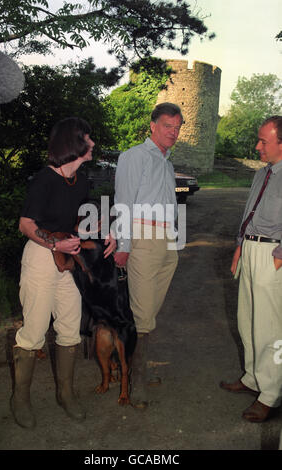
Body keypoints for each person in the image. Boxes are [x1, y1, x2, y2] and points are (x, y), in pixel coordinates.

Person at [11, 117, 116, 428]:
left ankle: (66, 394)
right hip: (42, 259)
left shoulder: (81, 181)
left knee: (70, 329)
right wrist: (56, 241)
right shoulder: (43, 180)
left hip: (68, 263)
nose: (93, 144)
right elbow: (26, 225)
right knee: (33, 333)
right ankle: (20, 399)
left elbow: (83, 220)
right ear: (74, 143)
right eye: (88, 138)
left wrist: (106, 229)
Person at [114, 102, 183, 408]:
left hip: (166, 240)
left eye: (178, 127)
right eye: (168, 126)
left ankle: (133, 367)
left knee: (148, 313)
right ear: (153, 125)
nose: (174, 132)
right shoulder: (135, 156)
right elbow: (124, 202)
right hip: (142, 238)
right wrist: (124, 245)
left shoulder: (166, 162)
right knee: (143, 315)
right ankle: (136, 383)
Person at [220, 115, 282, 422]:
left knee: (270, 327)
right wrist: (239, 246)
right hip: (250, 249)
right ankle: (252, 378)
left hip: (273, 254)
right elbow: (249, 213)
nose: (257, 146)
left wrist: (279, 255)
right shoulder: (263, 173)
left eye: (263, 141)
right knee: (247, 319)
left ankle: (271, 393)